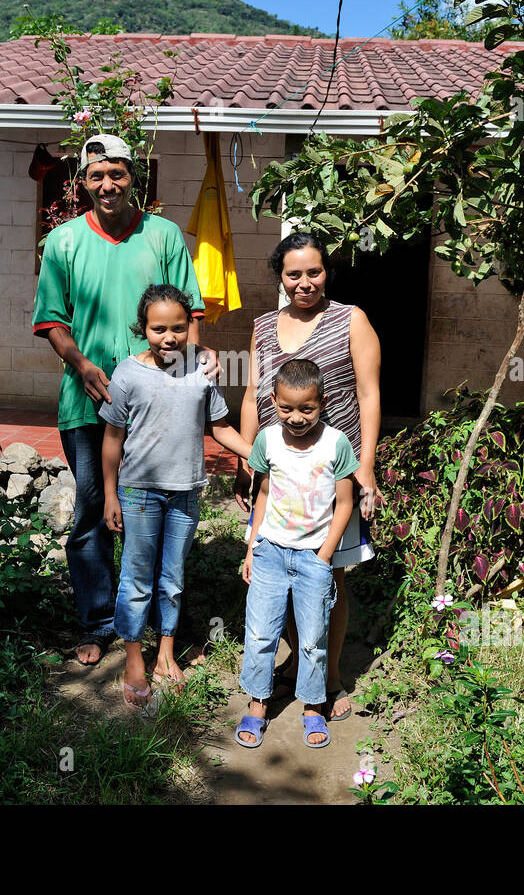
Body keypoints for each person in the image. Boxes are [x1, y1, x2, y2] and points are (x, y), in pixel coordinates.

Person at [32, 134, 214, 667]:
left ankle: (159, 626)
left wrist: (191, 376)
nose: (107, 185)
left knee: (150, 512)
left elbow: (190, 313)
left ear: (135, 178)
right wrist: (83, 366)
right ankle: (98, 621)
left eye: (117, 174)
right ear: (82, 183)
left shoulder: (162, 235)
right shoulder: (63, 242)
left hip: (154, 406)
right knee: (93, 508)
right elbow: (51, 321)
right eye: (96, 176)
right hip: (86, 403)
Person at [235, 231, 381, 722]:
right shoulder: (260, 326)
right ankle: (300, 661)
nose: (304, 282)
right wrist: (245, 465)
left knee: (327, 577)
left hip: (333, 478)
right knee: (276, 573)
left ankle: (330, 675)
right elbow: (255, 393)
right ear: (280, 275)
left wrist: (367, 467)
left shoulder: (350, 319)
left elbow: (368, 393)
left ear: (326, 272)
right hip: (279, 479)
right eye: (293, 273)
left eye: (313, 272)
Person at [100, 285, 252, 708]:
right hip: (138, 494)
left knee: (172, 579)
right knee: (136, 580)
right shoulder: (128, 374)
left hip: (186, 495)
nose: (169, 337)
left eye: (178, 328)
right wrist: (110, 494)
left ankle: (165, 653)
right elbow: (112, 438)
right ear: (142, 329)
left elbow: (219, 427)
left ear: (191, 328)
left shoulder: (202, 371)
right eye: (158, 328)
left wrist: (255, 455)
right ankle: (134, 658)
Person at [235, 360, 356, 749]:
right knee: (260, 632)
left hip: (312, 559)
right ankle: (258, 702)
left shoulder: (336, 443)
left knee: (313, 637)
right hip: (269, 551)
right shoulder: (267, 440)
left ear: (322, 402)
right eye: (286, 408)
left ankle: (313, 705)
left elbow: (344, 504)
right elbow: (264, 495)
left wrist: (324, 556)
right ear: (273, 401)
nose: (296, 417)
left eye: (307, 408)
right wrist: (251, 548)